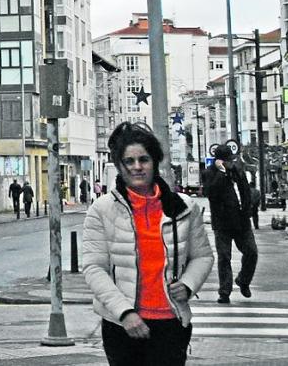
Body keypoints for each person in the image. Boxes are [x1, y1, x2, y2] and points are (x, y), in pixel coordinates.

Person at [82, 122, 213, 366]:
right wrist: (125, 312)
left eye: (144, 159)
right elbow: (93, 267)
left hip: (171, 321)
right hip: (122, 325)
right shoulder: (102, 209)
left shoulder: (183, 207)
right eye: (129, 162)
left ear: (154, 161)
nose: (137, 167)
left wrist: (188, 284)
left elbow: (203, 256)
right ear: (120, 166)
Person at [201, 145, 257, 304]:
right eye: (227, 160)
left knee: (252, 252)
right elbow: (210, 192)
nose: (230, 163)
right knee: (224, 257)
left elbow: (245, 190)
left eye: (231, 160)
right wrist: (221, 172)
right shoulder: (210, 173)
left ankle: (243, 281)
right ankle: (224, 291)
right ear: (219, 161)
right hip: (223, 222)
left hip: (242, 220)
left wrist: (249, 207)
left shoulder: (238, 171)